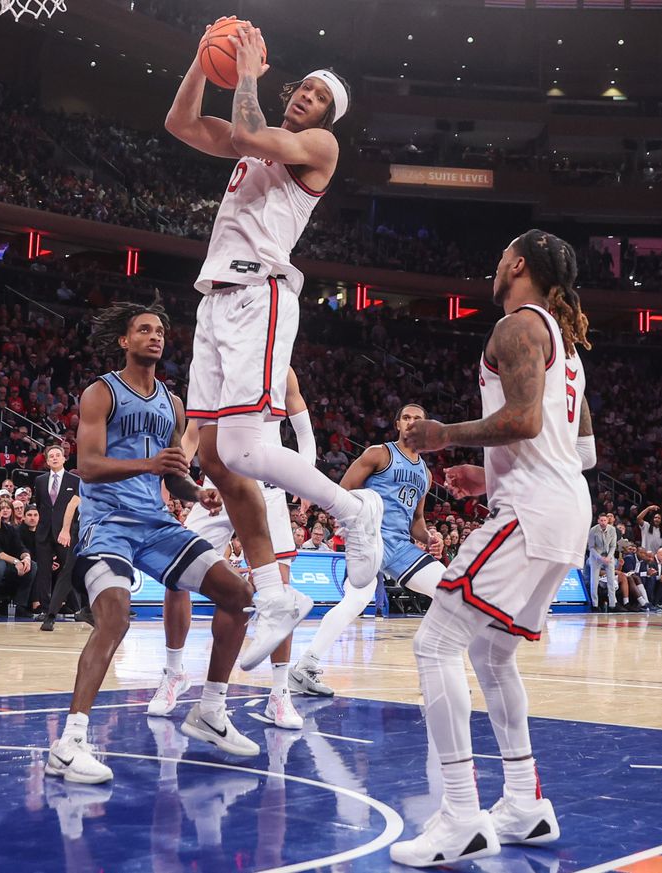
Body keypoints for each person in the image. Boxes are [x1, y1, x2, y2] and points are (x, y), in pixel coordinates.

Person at [165, 20, 383, 659]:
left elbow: (256, 134)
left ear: (329, 116)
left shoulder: (317, 147)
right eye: (303, 89)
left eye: (317, 95)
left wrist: (249, 74)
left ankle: (352, 510)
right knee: (213, 456)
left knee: (250, 450)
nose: (304, 97)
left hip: (259, 296)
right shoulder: (255, 143)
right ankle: (275, 592)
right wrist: (206, 65)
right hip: (214, 302)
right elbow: (180, 123)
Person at [390, 230, 594, 865]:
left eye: (500, 255)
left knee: (435, 643)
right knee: (492, 655)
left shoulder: (516, 328)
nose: (495, 264)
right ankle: (524, 806)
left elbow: (526, 421)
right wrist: (491, 472)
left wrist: (442, 434)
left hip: (533, 509)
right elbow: (580, 451)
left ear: (518, 264)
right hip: (564, 509)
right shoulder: (569, 347)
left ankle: (459, 814)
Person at [47, 297, 268, 784]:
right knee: (116, 619)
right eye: (144, 330)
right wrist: (152, 467)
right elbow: (87, 466)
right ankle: (70, 742)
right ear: (124, 341)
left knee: (239, 596)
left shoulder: (172, 404)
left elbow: (172, 475)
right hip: (107, 523)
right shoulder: (100, 392)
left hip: (155, 523)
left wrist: (197, 492)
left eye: (160, 332)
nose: (155, 336)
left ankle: (210, 708)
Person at [151, 368, 314, 731]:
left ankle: (279, 692)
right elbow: (193, 433)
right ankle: (175, 673)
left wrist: (307, 476)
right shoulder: (215, 362)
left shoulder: (281, 367)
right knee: (176, 578)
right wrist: (174, 477)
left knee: (280, 592)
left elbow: (303, 428)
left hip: (268, 488)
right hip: (216, 488)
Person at [290, 403, 445, 698]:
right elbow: (343, 490)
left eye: (418, 419)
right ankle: (304, 667)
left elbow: (417, 520)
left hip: (401, 545)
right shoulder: (380, 453)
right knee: (356, 601)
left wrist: (429, 536)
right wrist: (351, 524)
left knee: (451, 592)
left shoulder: (425, 473)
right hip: (370, 537)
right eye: (407, 418)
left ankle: (434, 669)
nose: (412, 422)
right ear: (397, 424)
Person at [36, 444, 84, 631]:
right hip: (44, 531)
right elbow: (41, 505)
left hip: (66, 534)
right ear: (47, 461)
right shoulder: (40, 480)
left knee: (69, 570)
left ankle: (77, 608)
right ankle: (45, 608)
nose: (55, 458)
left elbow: (75, 507)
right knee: (43, 571)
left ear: (64, 459)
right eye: (51, 456)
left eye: (58, 455)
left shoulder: (75, 480)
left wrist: (67, 530)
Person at [587, 513, 618, 611]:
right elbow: (591, 547)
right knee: (594, 581)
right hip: (596, 556)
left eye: (605, 520)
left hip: (608, 556)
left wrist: (609, 557)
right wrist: (599, 558)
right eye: (601, 520)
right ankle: (595, 604)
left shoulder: (612, 530)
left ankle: (612, 604)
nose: (603, 522)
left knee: (611, 580)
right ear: (598, 521)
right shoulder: (593, 530)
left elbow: (613, 546)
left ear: (608, 521)